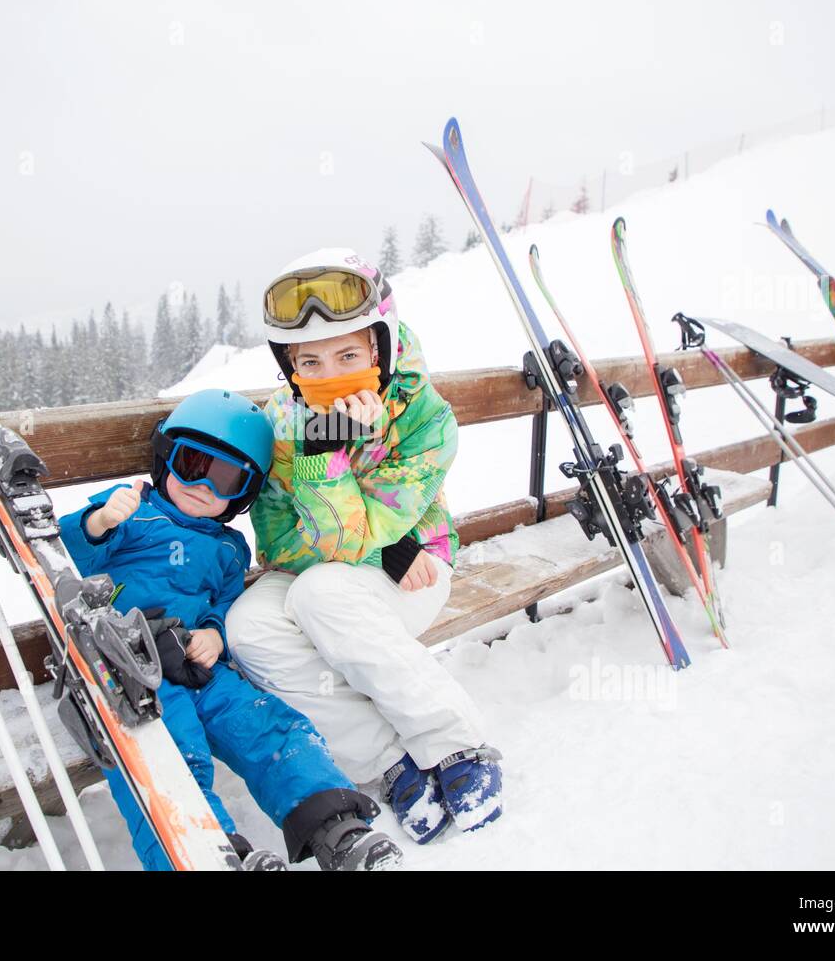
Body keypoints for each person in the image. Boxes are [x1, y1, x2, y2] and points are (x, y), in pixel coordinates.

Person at [224, 248, 503, 847]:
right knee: (248, 626)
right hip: (359, 565)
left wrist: (382, 543)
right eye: (311, 362)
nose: (330, 375)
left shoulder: (426, 419)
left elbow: (371, 530)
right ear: (289, 365)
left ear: (381, 347)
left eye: (348, 354)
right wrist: (322, 449)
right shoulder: (283, 424)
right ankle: (387, 762)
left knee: (324, 592)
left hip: (418, 572)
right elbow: (276, 543)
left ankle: (454, 742)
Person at [57, 388, 402, 871]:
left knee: (270, 727)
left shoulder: (227, 547)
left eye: (226, 479)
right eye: (192, 464)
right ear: (164, 459)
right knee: (172, 750)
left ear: (242, 494)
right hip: (127, 669)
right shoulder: (134, 513)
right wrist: (99, 521)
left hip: (198, 665)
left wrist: (216, 634)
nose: (205, 487)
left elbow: (223, 600)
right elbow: (66, 556)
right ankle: (204, 852)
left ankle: (335, 826)